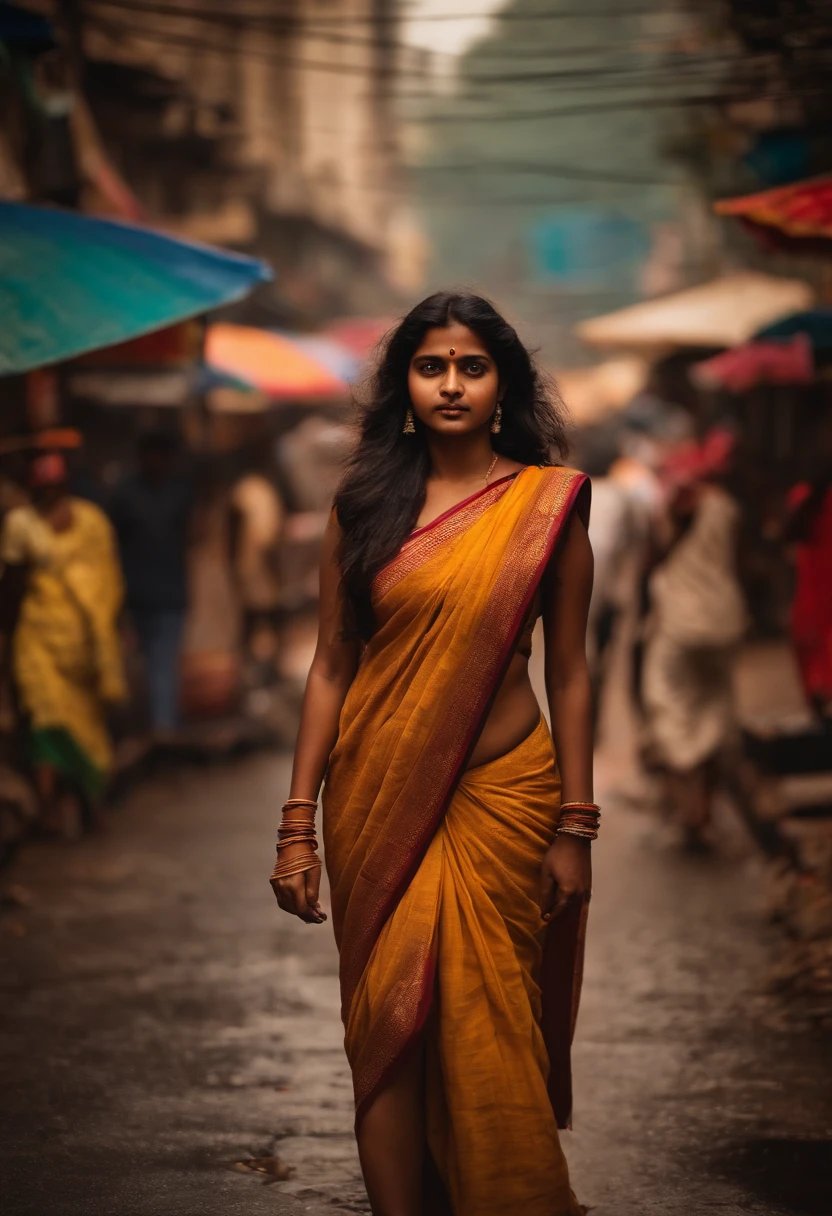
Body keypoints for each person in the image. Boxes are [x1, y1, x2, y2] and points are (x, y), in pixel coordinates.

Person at [270, 292, 596, 1216]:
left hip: (508, 795)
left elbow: (570, 672)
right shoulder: (363, 504)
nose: (451, 384)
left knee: (489, 1019)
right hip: (378, 794)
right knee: (389, 1027)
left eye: (471, 366)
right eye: (430, 366)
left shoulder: (546, 506)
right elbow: (331, 665)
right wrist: (298, 823)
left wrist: (576, 823)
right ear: (404, 385)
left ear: (504, 386)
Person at [0, 452, 126, 834]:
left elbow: (109, 579)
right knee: (45, 719)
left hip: (85, 645)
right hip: (39, 642)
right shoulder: (22, 526)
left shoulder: (91, 522)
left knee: (85, 727)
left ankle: (89, 804)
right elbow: (14, 586)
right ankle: (50, 808)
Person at [641, 429, 748, 849]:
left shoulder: (671, 507)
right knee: (716, 707)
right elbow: (741, 565)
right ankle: (704, 804)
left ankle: (692, 810)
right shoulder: (727, 507)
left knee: (669, 707)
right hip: (724, 619)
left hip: (679, 622)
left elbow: (652, 562)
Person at [110, 430, 192, 737]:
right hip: (136, 595)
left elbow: (190, 535)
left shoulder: (179, 492)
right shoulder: (125, 494)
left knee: (163, 662)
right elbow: (113, 543)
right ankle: (150, 726)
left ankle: (163, 729)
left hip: (171, 593)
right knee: (141, 665)